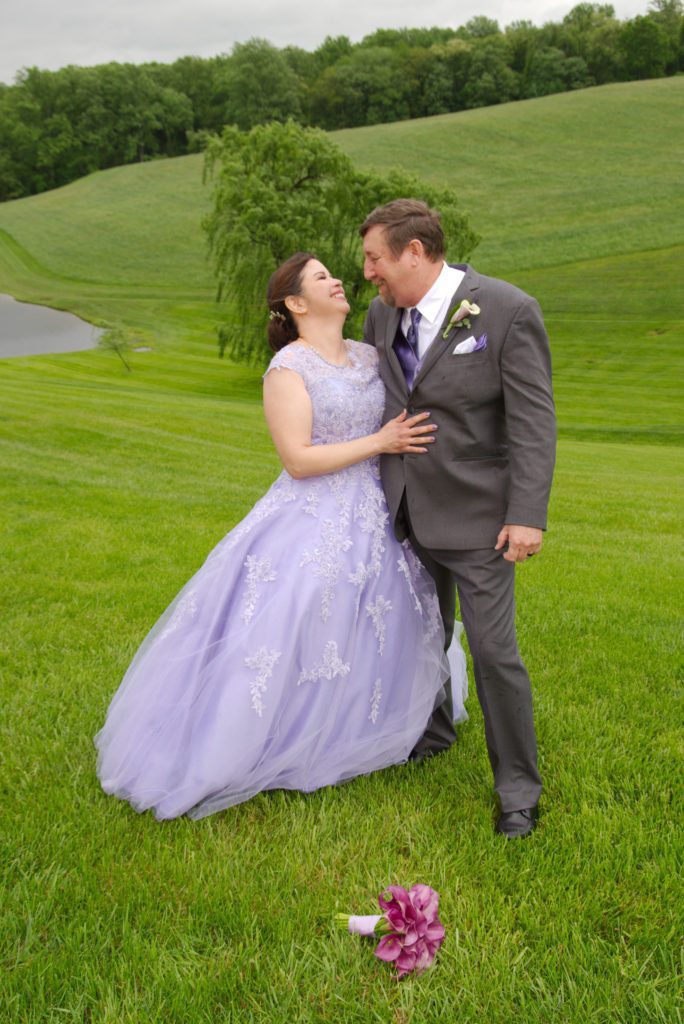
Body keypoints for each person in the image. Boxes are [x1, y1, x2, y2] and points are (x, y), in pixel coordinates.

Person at [95, 252, 467, 821]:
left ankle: (359, 731)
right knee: (293, 620)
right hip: (313, 514)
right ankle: (254, 741)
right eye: (322, 278)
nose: (339, 280)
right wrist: (380, 443)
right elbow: (297, 459)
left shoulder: (372, 356)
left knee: (376, 621)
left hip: (379, 515)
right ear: (296, 304)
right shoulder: (288, 369)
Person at [360, 199, 556, 838]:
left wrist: (527, 514)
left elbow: (533, 421)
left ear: (414, 252)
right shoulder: (380, 313)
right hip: (407, 510)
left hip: (480, 519)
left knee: (496, 654)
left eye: (375, 258)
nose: (368, 272)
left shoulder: (506, 309)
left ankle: (518, 794)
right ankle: (433, 733)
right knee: (424, 635)